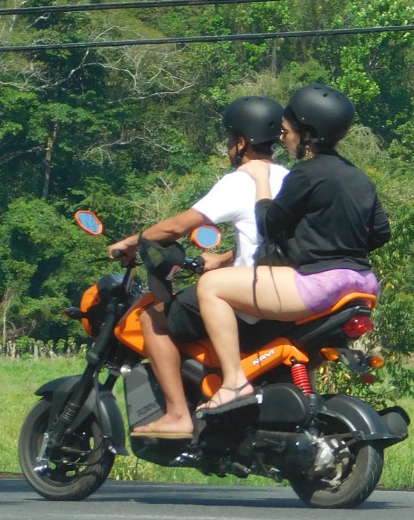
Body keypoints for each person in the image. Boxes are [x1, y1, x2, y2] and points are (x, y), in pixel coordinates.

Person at [193, 83, 390, 411]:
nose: (283, 138)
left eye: (286, 131)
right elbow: (380, 233)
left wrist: (261, 180)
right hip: (362, 283)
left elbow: (268, 225)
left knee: (211, 286)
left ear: (307, 133)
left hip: (319, 284)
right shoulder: (359, 177)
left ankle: (233, 383)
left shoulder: (306, 173)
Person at [106, 96, 289, 437]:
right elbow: (269, 239)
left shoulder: (242, 180)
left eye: (229, 137)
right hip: (284, 297)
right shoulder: (287, 178)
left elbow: (179, 226)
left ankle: (178, 415)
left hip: (251, 303)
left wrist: (131, 243)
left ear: (241, 141)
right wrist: (224, 259)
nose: (228, 145)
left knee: (152, 317)